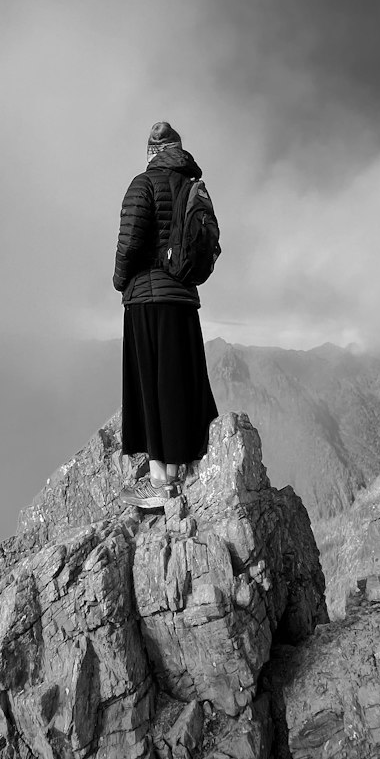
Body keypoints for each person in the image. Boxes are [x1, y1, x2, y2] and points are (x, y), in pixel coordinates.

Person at [113, 120, 219, 507]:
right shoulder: (192, 185)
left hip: (146, 299)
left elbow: (129, 242)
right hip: (184, 300)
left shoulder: (142, 184)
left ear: (150, 152)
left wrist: (119, 281)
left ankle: (159, 482)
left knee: (152, 387)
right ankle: (179, 470)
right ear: (178, 149)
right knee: (178, 383)